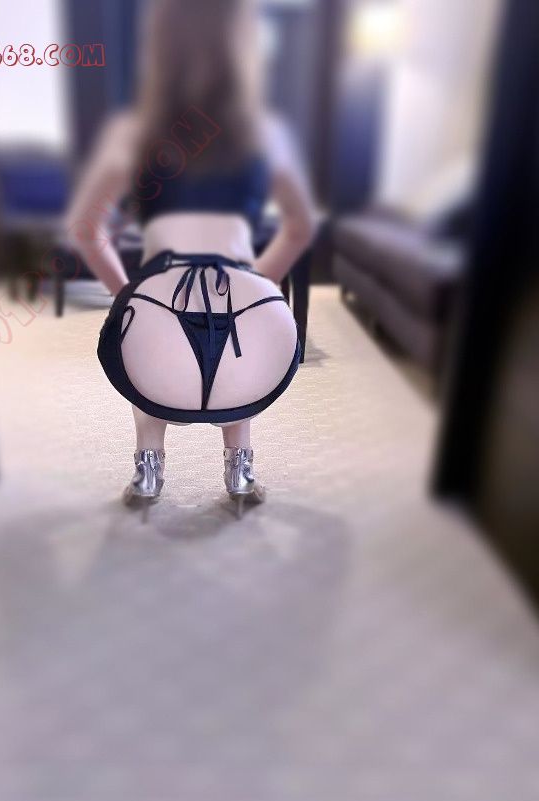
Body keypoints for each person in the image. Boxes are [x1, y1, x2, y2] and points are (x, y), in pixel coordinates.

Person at [66, 0, 317, 518]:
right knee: (242, 334)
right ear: (241, 47)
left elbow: (86, 229)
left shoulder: (131, 131)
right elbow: (300, 227)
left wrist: (128, 296)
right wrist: (259, 288)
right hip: (241, 290)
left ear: (159, 48)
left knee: (144, 336)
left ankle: (148, 468)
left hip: (159, 289)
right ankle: (240, 469)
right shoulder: (265, 132)